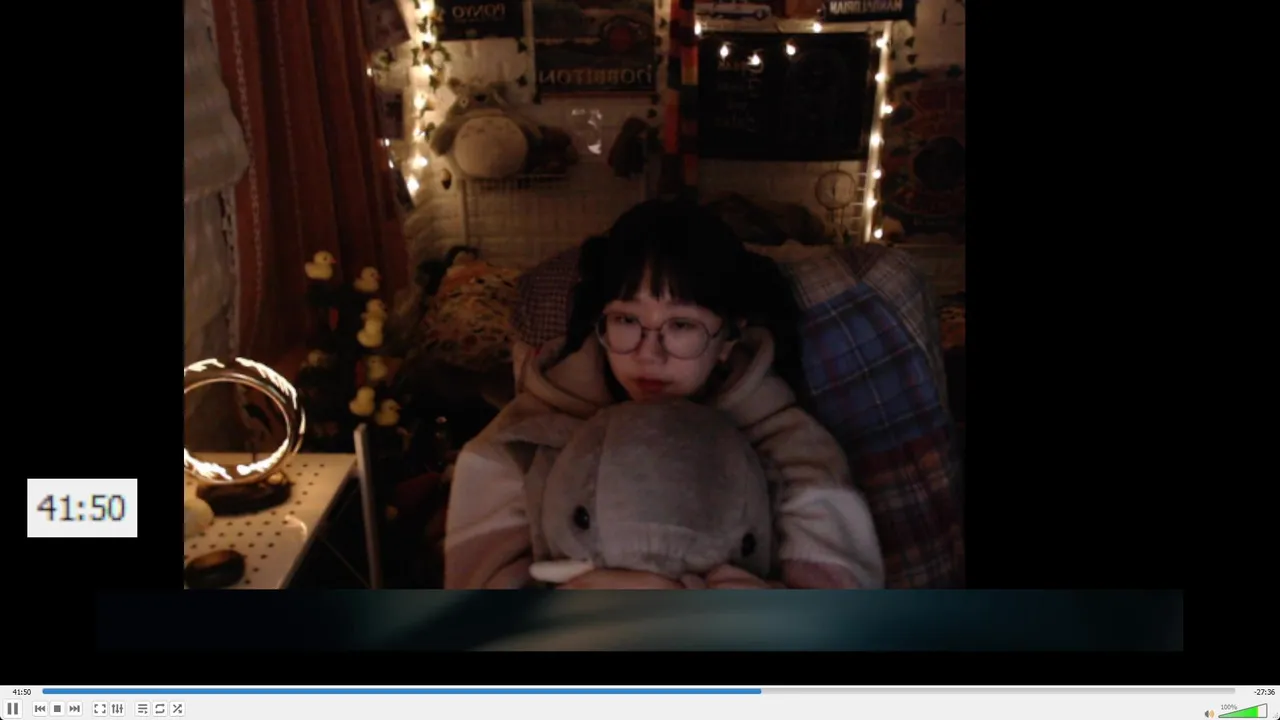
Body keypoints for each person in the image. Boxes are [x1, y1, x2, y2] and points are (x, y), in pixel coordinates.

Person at [443, 199, 885, 589]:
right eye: (626, 320)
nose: (648, 355)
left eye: (682, 326)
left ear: (729, 337)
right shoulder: (515, 444)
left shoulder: (793, 448)